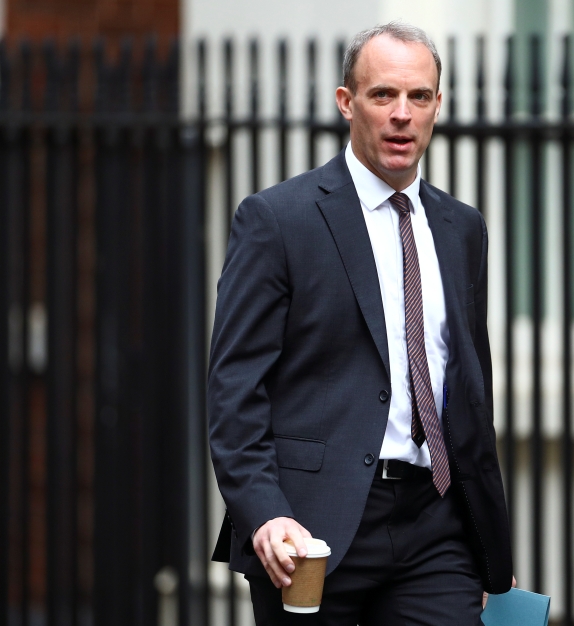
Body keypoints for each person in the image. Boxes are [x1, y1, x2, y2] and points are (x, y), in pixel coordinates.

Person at [207, 21, 512, 625]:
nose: (402, 114)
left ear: (437, 106)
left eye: (418, 97)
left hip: (436, 524)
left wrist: (487, 547)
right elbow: (235, 389)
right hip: (312, 532)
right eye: (383, 96)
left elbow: (471, 394)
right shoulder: (278, 220)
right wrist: (266, 513)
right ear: (347, 103)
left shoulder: (463, 229)